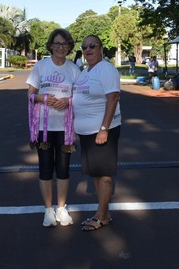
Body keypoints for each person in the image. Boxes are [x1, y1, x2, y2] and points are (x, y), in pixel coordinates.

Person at [27, 28, 80, 227]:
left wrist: (68, 101)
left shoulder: (74, 69)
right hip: (43, 127)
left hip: (66, 129)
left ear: (69, 47)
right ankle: (48, 210)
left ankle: (61, 208)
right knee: (46, 168)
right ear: (50, 45)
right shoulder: (41, 66)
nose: (61, 47)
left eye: (65, 44)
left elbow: (81, 96)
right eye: (57, 43)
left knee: (64, 169)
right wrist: (44, 98)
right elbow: (30, 94)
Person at [74, 34, 121, 232]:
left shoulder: (106, 69)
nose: (88, 50)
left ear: (101, 48)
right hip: (86, 132)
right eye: (84, 47)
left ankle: (101, 216)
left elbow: (113, 98)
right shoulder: (85, 72)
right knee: (95, 172)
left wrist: (104, 129)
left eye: (92, 46)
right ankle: (104, 213)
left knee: (104, 174)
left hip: (101, 131)